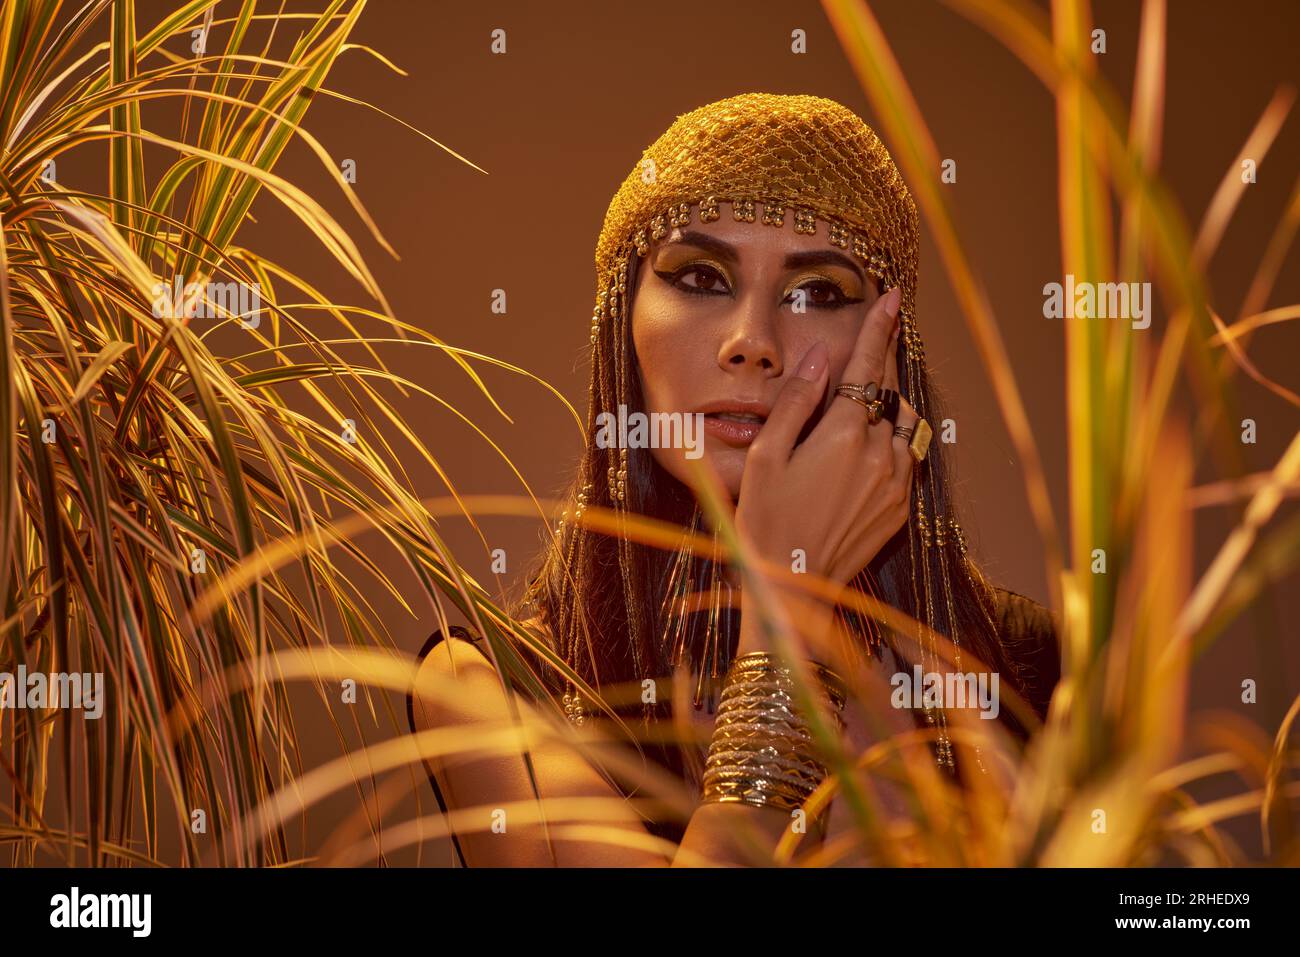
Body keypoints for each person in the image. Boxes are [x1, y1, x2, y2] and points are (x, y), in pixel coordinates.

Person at [406, 93, 1060, 867]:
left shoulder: (1031, 670)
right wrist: (785, 614)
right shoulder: (489, 692)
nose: (753, 342)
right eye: (701, 277)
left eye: (818, 292)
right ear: (623, 320)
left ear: (886, 353)